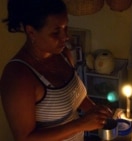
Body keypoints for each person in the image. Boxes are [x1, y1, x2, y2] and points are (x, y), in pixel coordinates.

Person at [0, 0, 113, 140]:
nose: (65, 37)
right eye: (56, 32)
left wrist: (95, 111)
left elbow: (74, 95)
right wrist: (81, 124)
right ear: (31, 32)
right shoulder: (18, 76)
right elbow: (25, 138)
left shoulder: (63, 54)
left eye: (66, 27)